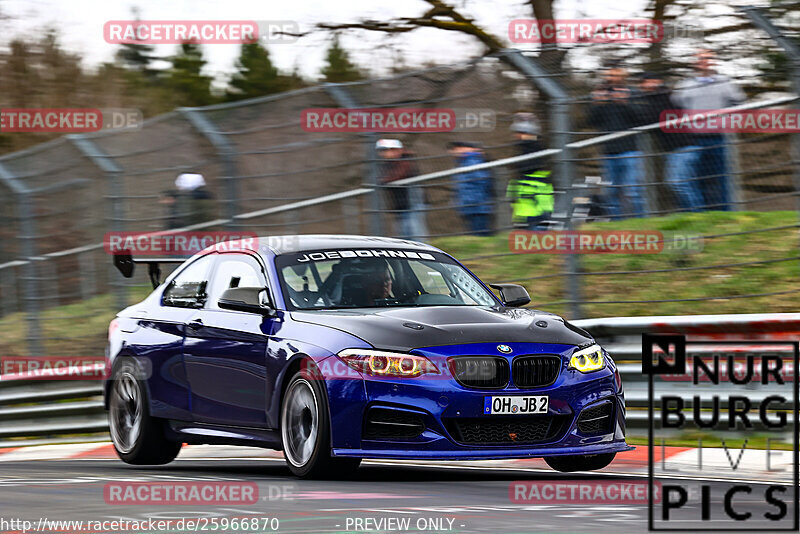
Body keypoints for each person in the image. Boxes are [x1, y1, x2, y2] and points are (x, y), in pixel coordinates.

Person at [671, 49, 745, 211]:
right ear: (694, 63)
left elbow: (739, 102)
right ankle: (705, 215)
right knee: (698, 177)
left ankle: (726, 213)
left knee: (722, 177)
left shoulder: (725, 82)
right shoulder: (684, 86)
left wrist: (728, 122)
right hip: (694, 139)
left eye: (709, 58)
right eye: (701, 59)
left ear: (714, 61)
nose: (705, 62)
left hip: (719, 137)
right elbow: (676, 106)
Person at [635, 72, 704, 212]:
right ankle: (692, 214)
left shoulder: (665, 97)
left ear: (658, 81)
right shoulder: (652, 99)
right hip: (675, 149)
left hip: (685, 147)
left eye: (648, 81)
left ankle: (697, 213)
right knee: (685, 183)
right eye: (642, 83)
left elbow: (653, 118)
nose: (644, 86)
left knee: (677, 182)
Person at [586, 64, 648, 219]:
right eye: (608, 76)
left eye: (614, 75)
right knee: (612, 192)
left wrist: (625, 103)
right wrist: (597, 103)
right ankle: (616, 223)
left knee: (633, 191)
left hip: (630, 149)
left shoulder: (632, 93)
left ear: (622, 76)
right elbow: (591, 121)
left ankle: (641, 222)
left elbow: (641, 118)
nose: (611, 79)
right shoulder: (601, 94)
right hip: (608, 152)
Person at [506, 113, 553, 230]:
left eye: (520, 133)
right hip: (527, 205)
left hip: (536, 205)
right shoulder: (525, 148)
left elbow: (528, 168)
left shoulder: (533, 148)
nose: (516, 136)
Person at [376, 139, 429, 241]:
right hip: (400, 204)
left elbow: (396, 176)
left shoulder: (406, 161)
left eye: (388, 150)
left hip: (413, 203)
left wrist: (384, 181)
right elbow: (380, 178)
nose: (385, 154)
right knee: (404, 234)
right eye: (383, 151)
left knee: (415, 233)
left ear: (398, 150)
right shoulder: (387, 164)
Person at [447, 141, 494, 236]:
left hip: (476, 206)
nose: (453, 152)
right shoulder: (465, 162)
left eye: (456, 148)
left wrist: (470, 201)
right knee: (476, 234)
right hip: (470, 206)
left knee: (480, 234)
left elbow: (482, 182)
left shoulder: (472, 161)